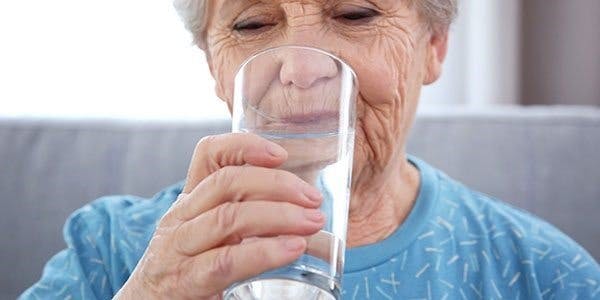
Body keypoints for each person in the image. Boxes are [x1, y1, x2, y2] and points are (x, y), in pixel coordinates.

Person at [21, 0, 600, 299]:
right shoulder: (108, 252)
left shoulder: (545, 275)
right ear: (214, 69)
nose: (299, 68)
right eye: (251, 25)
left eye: (355, 13)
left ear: (435, 46)